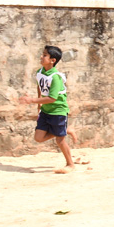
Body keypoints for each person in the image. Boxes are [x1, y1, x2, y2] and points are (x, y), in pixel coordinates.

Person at [19, 45, 75, 173]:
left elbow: (52, 98)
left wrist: (33, 101)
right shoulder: (40, 72)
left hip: (58, 111)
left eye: (44, 55)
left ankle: (70, 164)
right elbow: (40, 86)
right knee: (38, 138)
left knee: (60, 140)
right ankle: (66, 130)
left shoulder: (55, 77)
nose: (41, 57)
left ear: (52, 60)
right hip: (46, 110)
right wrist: (39, 102)